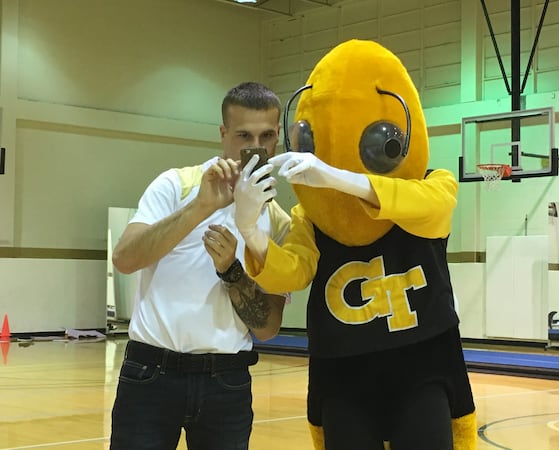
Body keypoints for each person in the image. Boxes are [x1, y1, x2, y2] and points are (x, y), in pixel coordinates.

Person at [235, 40, 476, 450]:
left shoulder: (433, 184)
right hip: (344, 374)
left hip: (423, 370)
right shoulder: (311, 218)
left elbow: (432, 209)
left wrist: (335, 177)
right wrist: (249, 229)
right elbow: (292, 270)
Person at [109, 81, 290, 450]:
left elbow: (269, 327)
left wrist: (231, 272)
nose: (255, 147)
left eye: (267, 135)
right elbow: (124, 259)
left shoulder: (279, 222)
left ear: (277, 139)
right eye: (243, 134)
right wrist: (200, 208)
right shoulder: (175, 184)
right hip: (149, 374)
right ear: (223, 134)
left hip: (226, 381)